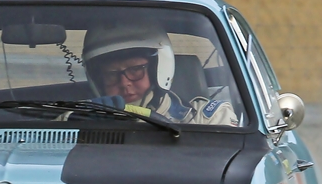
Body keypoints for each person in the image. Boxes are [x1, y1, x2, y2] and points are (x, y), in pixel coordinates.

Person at [81, 23, 240, 126]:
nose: (124, 83)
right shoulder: (79, 119)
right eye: (111, 74)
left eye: (135, 69)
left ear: (158, 70)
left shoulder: (207, 118)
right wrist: (84, 122)